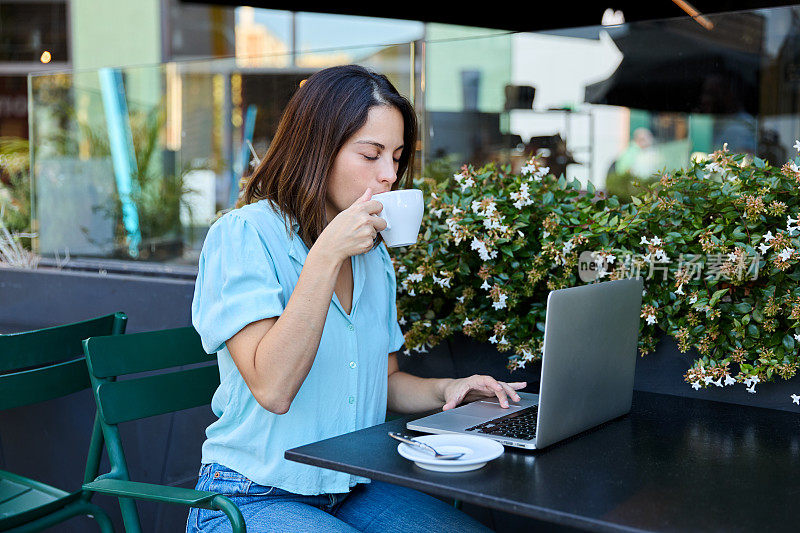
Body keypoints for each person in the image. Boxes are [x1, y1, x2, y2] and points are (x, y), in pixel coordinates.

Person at [187, 65, 526, 532]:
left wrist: (446, 390)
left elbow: (380, 382)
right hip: (249, 497)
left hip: (353, 486)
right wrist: (325, 255)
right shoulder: (243, 236)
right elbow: (273, 388)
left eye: (397, 156)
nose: (389, 175)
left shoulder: (373, 257)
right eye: (371, 154)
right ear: (317, 149)